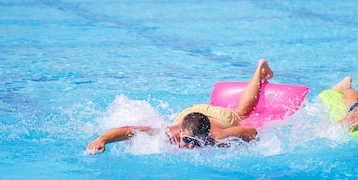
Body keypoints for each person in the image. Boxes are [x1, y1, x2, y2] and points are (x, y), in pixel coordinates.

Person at [86, 59, 274, 153]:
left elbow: (250, 131)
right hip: (190, 113)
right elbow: (130, 130)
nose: (191, 147)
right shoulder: (169, 133)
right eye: (188, 140)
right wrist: (102, 139)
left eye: (198, 142)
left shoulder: (216, 136)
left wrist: (251, 146)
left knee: (241, 115)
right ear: (181, 132)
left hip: (219, 117)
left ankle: (259, 68)